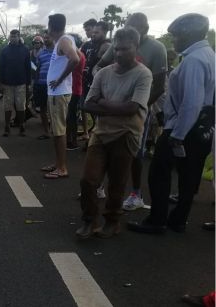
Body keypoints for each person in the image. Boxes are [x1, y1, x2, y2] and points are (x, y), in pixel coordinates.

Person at [127, 13, 214, 234]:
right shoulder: (208, 55)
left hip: (185, 127)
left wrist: (178, 134)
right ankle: (177, 221)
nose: (173, 40)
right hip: (202, 125)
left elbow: (191, 103)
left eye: (176, 36)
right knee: (189, 175)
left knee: (158, 172)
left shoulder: (194, 60)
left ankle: (157, 220)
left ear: (188, 34)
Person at [76, 27, 152, 239]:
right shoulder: (103, 73)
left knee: (117, 183)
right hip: (101, 133)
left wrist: (103, 102)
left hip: (126, 135)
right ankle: (89, 220)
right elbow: (87, 105)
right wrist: (115, 106)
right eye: (116, 49)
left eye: (125, 49)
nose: (119, 53)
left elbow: (132, 109)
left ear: (136, 48)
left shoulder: (143, 74)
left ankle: (112, 221)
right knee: (88, 180)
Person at [95, 13, 168, 211]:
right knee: (105, 144)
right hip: (112, 107)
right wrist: (101, 86)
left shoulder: (157, 48)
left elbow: (160, 86)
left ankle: (136, 193)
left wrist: (139, 106)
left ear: (145, 30)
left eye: (135, 31)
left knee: (134, 152)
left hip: (139, 111)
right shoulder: (119, 44)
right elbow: (100, 65)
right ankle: (99, 186)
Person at [41, 14, 80, 179]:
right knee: (57, 130)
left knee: (59, 132)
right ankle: (58, 163)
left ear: (51, 27)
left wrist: (59, 80)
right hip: (57, 93)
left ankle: (62, 168)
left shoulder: (64, 41)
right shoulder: (65, 40)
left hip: (59, 93)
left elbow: (75, 59)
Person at [0, 29, 32, 137]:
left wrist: (28, 83)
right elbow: (0, 67)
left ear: (19, 37)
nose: (13, 38)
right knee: (7, 106)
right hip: (7, 83)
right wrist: (0, 82)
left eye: (15, 36)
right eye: (11, 36)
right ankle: (7, 127)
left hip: (21, 83)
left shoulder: (25, 50)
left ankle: (22, 126)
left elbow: (28, 67)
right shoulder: (5, 50)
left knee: (21, 106)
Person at [81, 21, 111, 142]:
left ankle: (98, 138)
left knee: (98, 111)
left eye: (97, 33)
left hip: (99, 85)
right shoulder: (88, 44)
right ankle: (91, 135)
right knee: (86, 108)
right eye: (93, 32)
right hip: (86, 82)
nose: (93, 35)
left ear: (105, 32)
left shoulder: (107, 46)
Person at [66, 34, 86, 150]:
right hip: (74, 88)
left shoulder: (76, 55)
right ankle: (70, 140)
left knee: (71, 116)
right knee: (71, 116)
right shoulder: (80, 54)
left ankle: (72, 142)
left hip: (73, 89)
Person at [34, 32, 54, 140]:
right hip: (41, 84)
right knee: (42, 109)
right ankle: (46, 132)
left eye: (48, 37)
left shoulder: (58, 52)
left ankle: (57, 132)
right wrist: (35, 82)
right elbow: (38, 68)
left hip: (53, 85)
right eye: (45, 38)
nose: (46, 39)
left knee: (53, 110)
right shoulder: (41, 54)